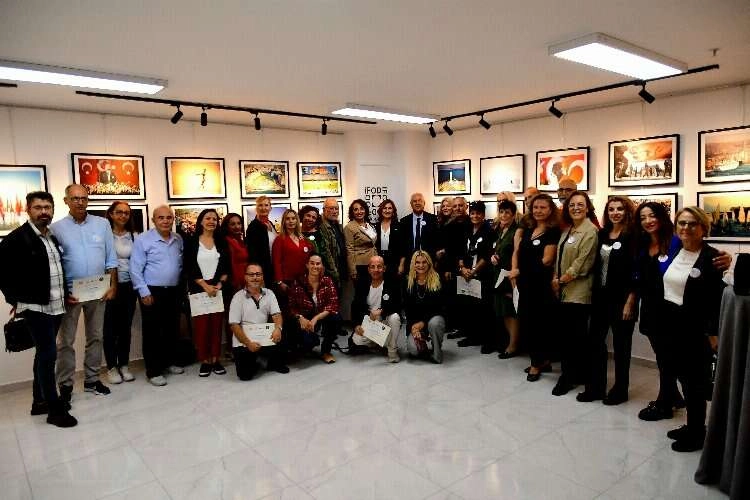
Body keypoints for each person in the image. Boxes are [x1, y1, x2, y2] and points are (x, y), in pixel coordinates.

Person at [0, 191, 77, 427]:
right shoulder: (16, 238)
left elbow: (56, 271)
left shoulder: (51, 237)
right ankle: (54, 410)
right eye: (38, 207)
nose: (44, 212)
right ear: (28, 210)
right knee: (48, 354)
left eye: (47, 207)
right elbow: (2, 274)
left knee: (43, 354)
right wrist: (16, 301)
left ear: (53, 210)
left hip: (57, 305)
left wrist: (65, 293)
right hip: (36, 307)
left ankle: (39, 401)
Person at [659, 207, 725, 452]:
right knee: (682, 377)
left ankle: (698, 433)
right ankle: (691, 426)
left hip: (696, 330)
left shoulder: (712, 257)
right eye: (682, 223)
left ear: (703, 229)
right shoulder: (674, 249)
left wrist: (712, 333)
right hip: (672, 324)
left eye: (692, 224)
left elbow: (715, 300)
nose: (686, 228)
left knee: (695, 382)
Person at [51, 184, 118, 401]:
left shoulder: (102, 224)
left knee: (96, 337)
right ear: (66, 201)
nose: (80, 202)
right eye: (75, 198)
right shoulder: (56, 228)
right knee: (65, 342)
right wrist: (62, 292)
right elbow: (54, 263)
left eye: (83, 198)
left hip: (99, 290)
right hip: (71, 293)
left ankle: (91, 380)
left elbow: (111, 258)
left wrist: (113, 285)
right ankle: (65, 385)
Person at [579, 196, 638, 405]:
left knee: (622, 348)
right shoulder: (602, 234)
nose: (615, 213)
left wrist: (631, 301)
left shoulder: (634, 237)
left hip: (623, 300)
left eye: (620, 209)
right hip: (600, 298)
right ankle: (596, 387)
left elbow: (637, 272)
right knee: (595, 343)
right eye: (611, 209)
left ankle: (620, 390)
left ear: (627, 211)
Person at [130, 205, 185, 386]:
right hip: (152, 291)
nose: (165, 221)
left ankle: (169, 362)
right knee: (152, 332)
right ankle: (153, 371)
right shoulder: (143, 239)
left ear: (173, 220)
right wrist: (143, 291)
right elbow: (135, 269)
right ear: (153, 220)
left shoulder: (178, 239)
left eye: (169, 217)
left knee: (172, 329)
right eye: (161, 218)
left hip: (174, 291)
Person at [551, 191, 598, 396]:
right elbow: (559, 258)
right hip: (563, 289)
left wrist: (560, 280)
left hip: (578, 292)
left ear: (587, 207)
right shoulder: (568, 230)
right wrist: (555, 278)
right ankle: (573, 374)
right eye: (572, 205)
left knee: (574, 338)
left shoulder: (590, 231)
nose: (576, 208)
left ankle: (568, 377)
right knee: (565, 336)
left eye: (580, 204)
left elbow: (582, 264)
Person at [510, 193, 560, 382]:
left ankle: (536, 364)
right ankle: (542, 360)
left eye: (543, 207)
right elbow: (517, 251)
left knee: (539, 325)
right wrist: (515, 271)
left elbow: (547, 260)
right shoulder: (528, 229)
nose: (538, 211)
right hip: (524, 285)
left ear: (550, 210)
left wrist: (520, 271)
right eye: (535, 207)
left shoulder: (553, 232)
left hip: (541, 286)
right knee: (527, 324)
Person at [184, 208, 230, 377]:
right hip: (198, 289)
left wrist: (219, 284)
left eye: (214, 219)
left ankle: (216, 359)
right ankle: (204, 360)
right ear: (201, 221)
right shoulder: (191, 241)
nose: (211, 221)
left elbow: (226, 267)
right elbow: (189, 267)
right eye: (208, 218)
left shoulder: (222, 241)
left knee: (216, 327)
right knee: (202, 328)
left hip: (217, 289)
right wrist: (204, 285)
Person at [228, 263, 290, 380]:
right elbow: (234, 325)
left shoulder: (269, 293)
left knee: (283, 331)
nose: (255, 277)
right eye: (251, 275)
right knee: (245, 376)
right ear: (245, 277)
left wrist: (278, 329)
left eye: (258, 274)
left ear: (262, 276)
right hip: (245, 341)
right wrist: (248, 343)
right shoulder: (237, 297)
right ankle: (258, 359)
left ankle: (265, 360)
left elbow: (277, 315)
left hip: (264, 337)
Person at [102, 201, 139, 384]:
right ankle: (111, 367)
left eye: (126, 213)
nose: (123, 216)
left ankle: (124, 365)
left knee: (125, 328)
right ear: (111, 214)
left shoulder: (134, 236)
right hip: (108, 287)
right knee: (109, 329)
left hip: (129, 286)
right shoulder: (104, 235)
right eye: (119, 212)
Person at [287, 253, 342, 363]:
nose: (315, 266)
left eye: (318, 264)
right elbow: (291, 306)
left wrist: (316, 318)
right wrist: (300, 317)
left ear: (322, 266)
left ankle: (326, 351)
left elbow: (333, 304)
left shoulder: (327, 281)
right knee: (310, 342)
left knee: (336, 318)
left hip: (321, 316)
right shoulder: (298, 282)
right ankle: (303, 346)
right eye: (312, 263)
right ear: (307, 265)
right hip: (305, 318)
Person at [456, 201, 495, 351]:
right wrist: (462, 268)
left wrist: (473, 271)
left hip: (482, 274)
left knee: (484, 309)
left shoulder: (489, 231)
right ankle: (472, 336)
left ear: (483, 215)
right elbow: (461, 250)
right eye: (472, 213)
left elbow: (487, 255)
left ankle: (488, 341)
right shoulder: (467, 229)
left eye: (478, 213)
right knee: (469, 307)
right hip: (466, 274)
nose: (475, 216)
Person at [349, 255, 401, 362]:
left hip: (385, 319)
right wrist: (356, 325)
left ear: (384, 268)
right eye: (372, 267)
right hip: (370, 321)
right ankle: (379, 342)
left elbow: (398, 304)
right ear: (368, 269)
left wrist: (381, 311)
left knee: (395, 317)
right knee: (357, 340)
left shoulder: (392, 282)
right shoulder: (362, 283)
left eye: (379, 266)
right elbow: (355, 306)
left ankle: (392, 351)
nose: (376, 270)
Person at [403, 251, 445, 364]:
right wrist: (413, 328)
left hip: (432, 320)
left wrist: (423, 323)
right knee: (413, 350)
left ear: (429, 263)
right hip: (415, 323)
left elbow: (439, 308)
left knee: (435, 323)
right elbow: (407, 310)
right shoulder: (407, 282)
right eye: (417, 262)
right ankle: (423, 345)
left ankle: (437, 352)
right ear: (413, 264)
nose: (421, 265)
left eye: (424, 262)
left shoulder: (437, 279)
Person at [491, 200, 520, 358]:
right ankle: (510, 342)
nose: (503, 215)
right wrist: (493, 257)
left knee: (511, 312)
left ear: (514, 215)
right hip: (498, 276)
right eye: (501, 212)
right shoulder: (500, 230)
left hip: (509, 276)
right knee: (503, 311)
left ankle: (513, 345)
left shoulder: (517, 231)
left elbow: (516, 253)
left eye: (507, 212)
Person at [272, 209, 315, 298]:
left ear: (297, 220)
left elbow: (309, 255)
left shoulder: (302, 238)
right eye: (287, 219)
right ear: (284, 222)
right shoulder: (279, 239)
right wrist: (280, 282)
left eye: (293, 218)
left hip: (303, 280)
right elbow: (276, 262)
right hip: (287, 281)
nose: (291, 221)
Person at [398, 192, 439, 275]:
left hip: (428, 261)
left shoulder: (433, 219)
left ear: (424, 203)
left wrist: (435, 261)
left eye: (420, 200)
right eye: (414, 201)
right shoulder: (404, 221)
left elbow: (436, 242)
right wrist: (402, 264)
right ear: (411, 204)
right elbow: (402, 245)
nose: (417, 203)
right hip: (410, 262)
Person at [344, 199, 377, 290]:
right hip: (360, 266)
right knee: (362, 293)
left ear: (365, 210)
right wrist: (353, 270)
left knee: (372, 291)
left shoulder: (369, 225)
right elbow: (349, 249)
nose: (359, 211)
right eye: (356, 209)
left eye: (361, 208)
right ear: (352, 212)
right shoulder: (349, 227)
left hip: (373, 263)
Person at [245, 196, 277, 288]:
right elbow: (252, 254)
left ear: (270, 208)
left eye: (266, 205)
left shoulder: (270, 223)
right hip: (263, 271)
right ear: (256, 208)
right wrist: (258, 275)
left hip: (272, 268)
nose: (263, 208)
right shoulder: (253, 227)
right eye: (260, 205)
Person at [318, 198, 346, 288]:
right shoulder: (321, 226)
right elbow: (326, 253)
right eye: (331, 208)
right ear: (324, 210)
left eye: (336, 208)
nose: (334, 211)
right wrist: (334, 273)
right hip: (330, 272)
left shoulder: (338, 225)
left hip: (341, 269)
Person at [374, 198, 403, 281]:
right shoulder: (375, 226)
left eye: (390, 208)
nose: (387, 210)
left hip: (394, 264)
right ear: (381, 210)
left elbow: (403, 248)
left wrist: (401, 265)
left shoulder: (399, 226)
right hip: (378, 264)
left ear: (393, 211)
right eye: (385, 208)